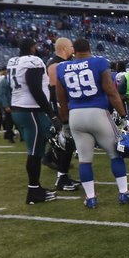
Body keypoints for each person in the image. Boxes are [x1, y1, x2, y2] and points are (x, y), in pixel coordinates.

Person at [54, 38, 129, 209]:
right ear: (89, 49)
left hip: (75, 116)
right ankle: (124, 192)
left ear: (74, 51)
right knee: (115, 154)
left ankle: (91, 197)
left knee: (85, 160)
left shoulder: (62, 68)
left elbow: (61, 99)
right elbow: (111, 91)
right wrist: (124, 116)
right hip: (98, 113)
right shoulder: (100, 63)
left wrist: (64, 123)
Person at [8, 39, 56, 205]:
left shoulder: (13, 61)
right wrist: (51, 113)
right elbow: (35, 88)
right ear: (32, 48)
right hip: (30, 110)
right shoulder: (32, 61)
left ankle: (36, 187)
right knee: (34, 152)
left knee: (37, 149)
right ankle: (33, 191)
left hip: (19, 109)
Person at [45, 37, 79, 192]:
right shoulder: (55, 65)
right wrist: (58, 115)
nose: (73, 49)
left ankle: (59, 170)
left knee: (68, 144)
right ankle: (61, 178)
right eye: (71, 46)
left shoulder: (61, 64)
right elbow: (55, 94)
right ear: (64, 48)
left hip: (66, 108)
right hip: (60, 110)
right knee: (66, 143)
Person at [0, 67, 14, 143]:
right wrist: (4, 103)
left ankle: (6, 134)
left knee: (5, 118)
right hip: (8, 102)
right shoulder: (3, 80)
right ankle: (7, 135)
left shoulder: (3, 79)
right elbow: (1, 93)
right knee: (7, 119)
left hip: (8, 101)